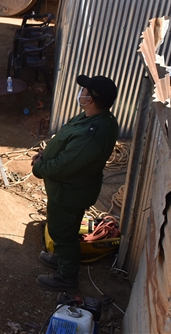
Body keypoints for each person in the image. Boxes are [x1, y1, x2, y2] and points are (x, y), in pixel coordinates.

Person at [32, 75, 119, 291]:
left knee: (63, 233)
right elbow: (64, 143)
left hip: (69, 192)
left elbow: (66, 164)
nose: (81, 94)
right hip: (70, 189)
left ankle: (66, 278)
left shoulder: (92, 133)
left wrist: (39, 168)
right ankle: (61, 259)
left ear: (89, 100)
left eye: (84, 92)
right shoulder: (93, 118)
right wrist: (46, 153)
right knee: (64, 229)